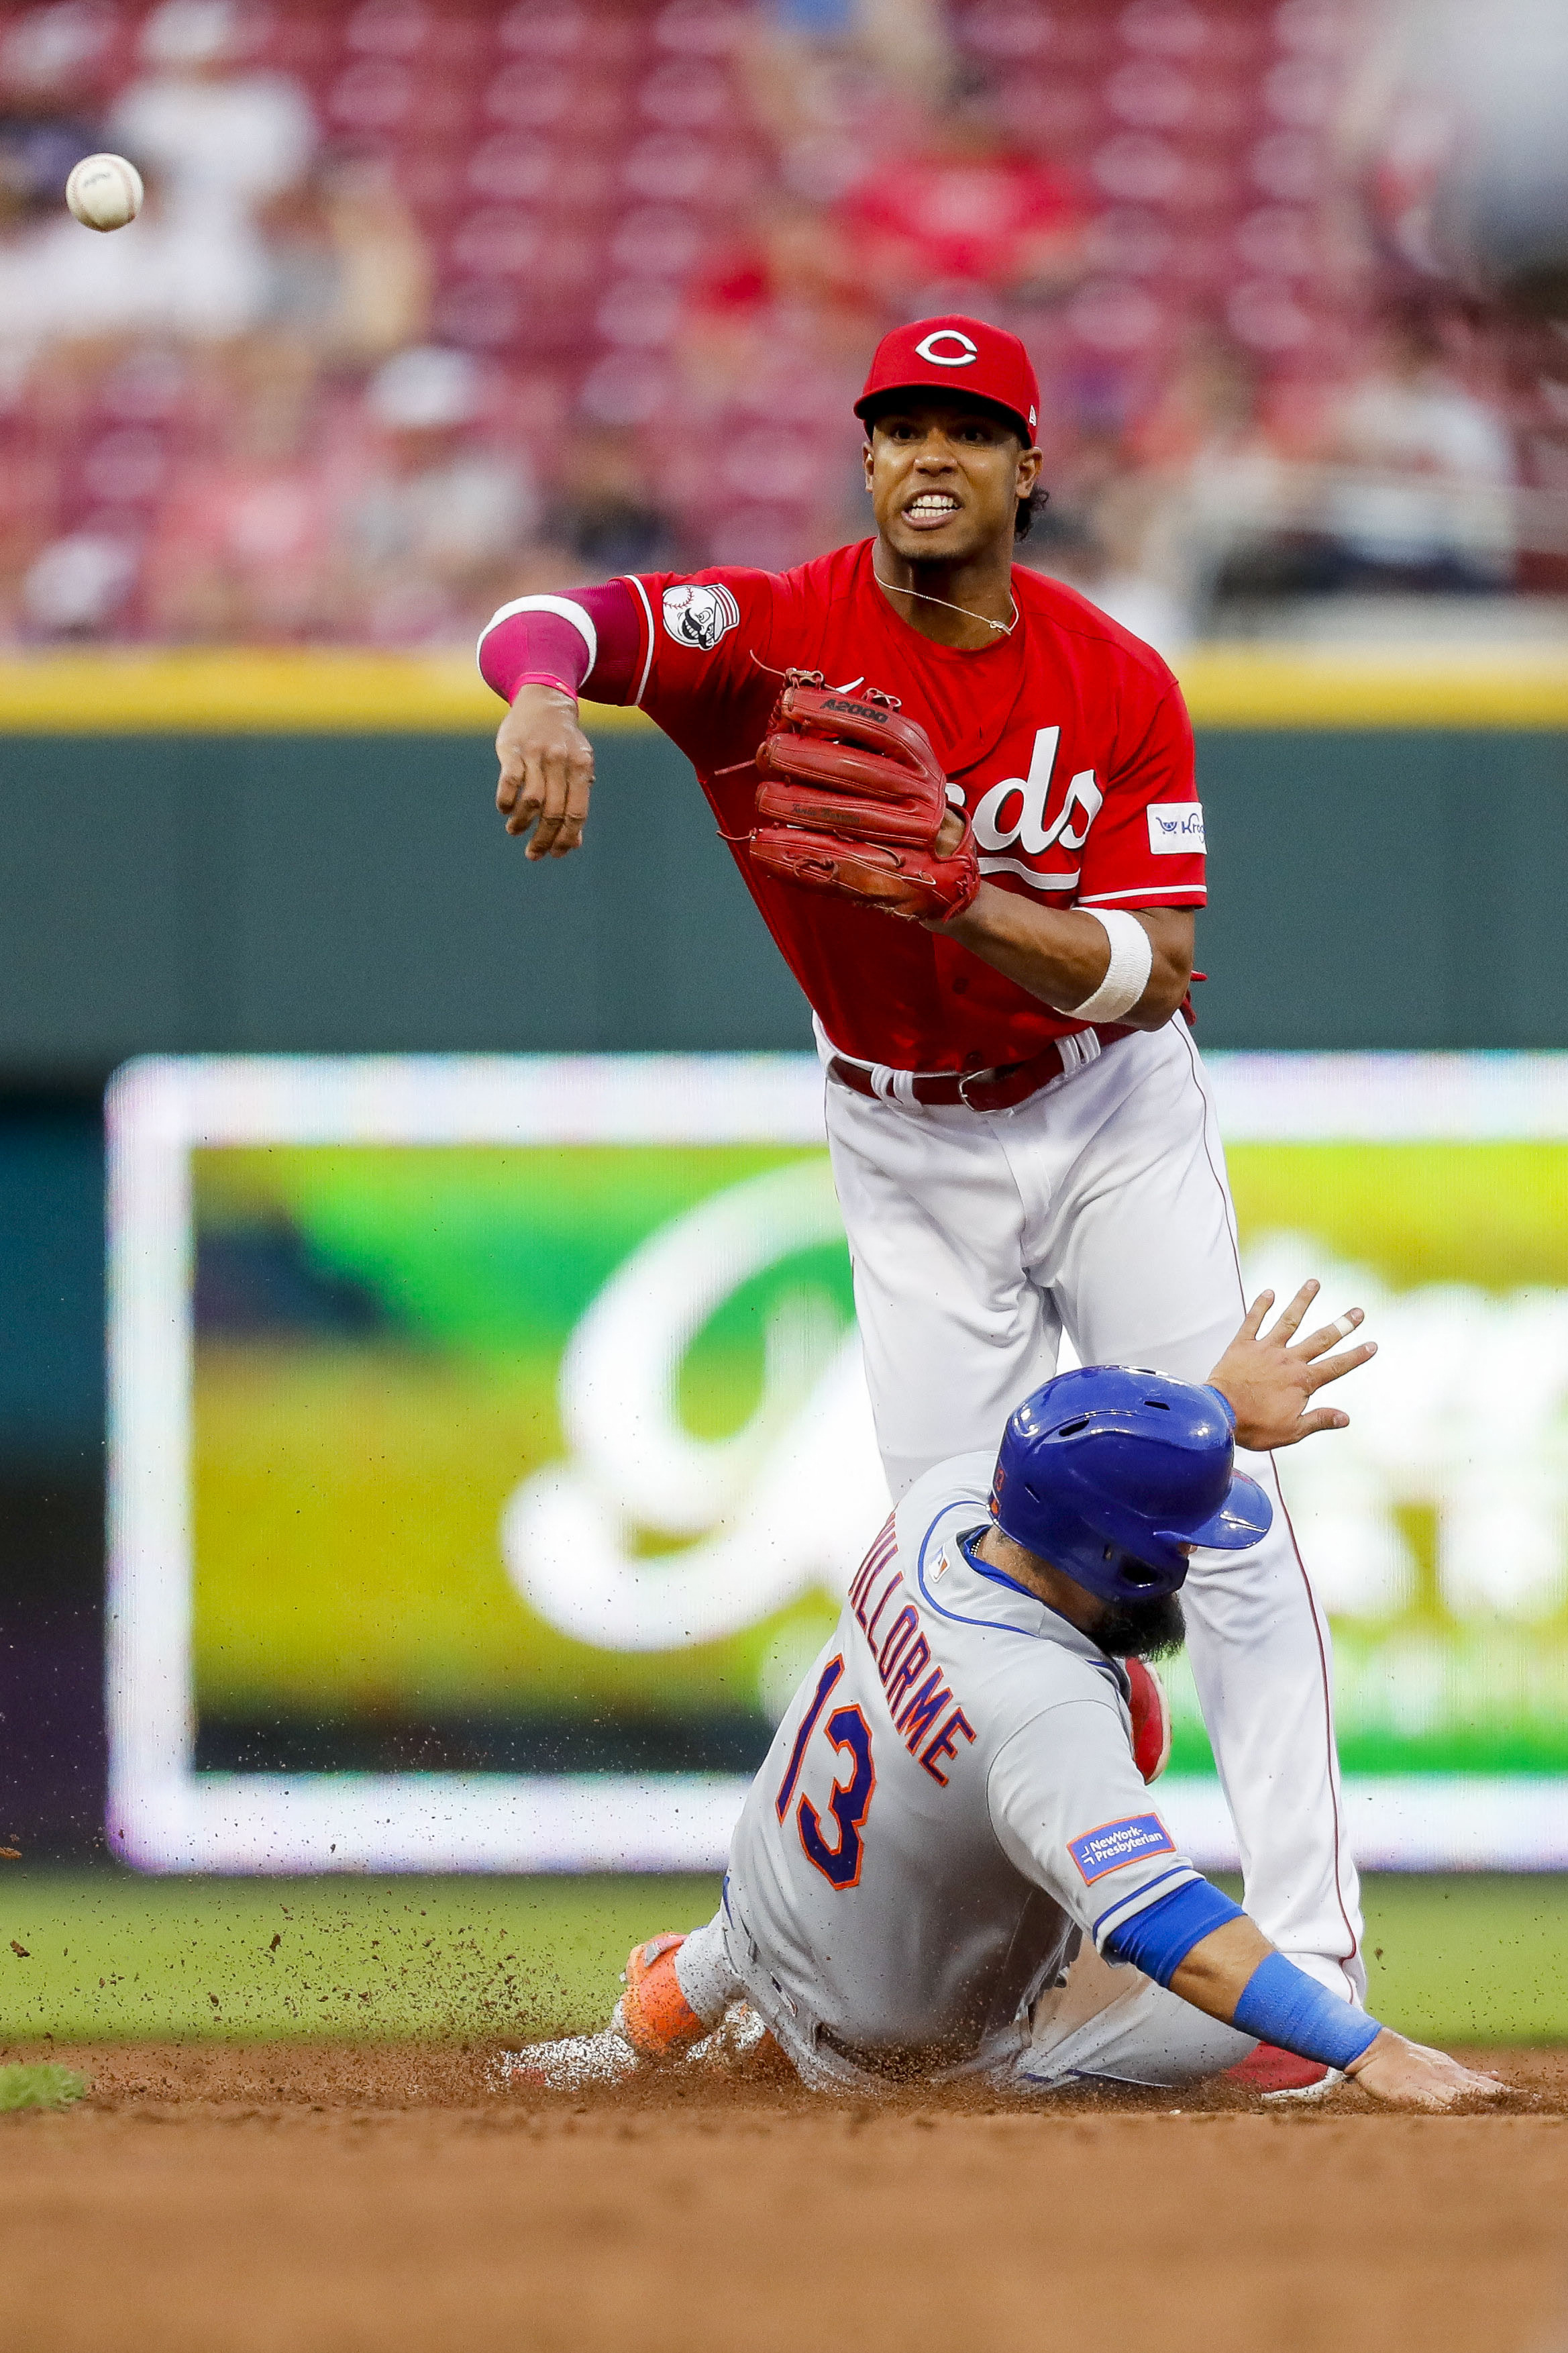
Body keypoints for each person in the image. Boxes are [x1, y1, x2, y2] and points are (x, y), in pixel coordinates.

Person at [476, 313, 1363, 2091]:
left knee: (1235, 1515)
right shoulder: (770, 638)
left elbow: (1158, 973)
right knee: (938, 1596)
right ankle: (712, 1980)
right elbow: (558, 619)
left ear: (1031, 468)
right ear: (866, 457)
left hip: (1105, 1111)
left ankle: (1314, 1979)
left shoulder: (1115, 679)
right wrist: (539, 694)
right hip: (903, 1148)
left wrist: (968, 902)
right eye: (898, 427)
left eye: (968, 427)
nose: (927, 455)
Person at [503, 1291, 1508, 2109]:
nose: (1192, 1557)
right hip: (899, 2059)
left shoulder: (942, 1502)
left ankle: (686, 1988)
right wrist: (1369, 2048)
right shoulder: (1040, 1711)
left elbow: (1078, 1476)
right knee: (1297, 2020)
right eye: (1182, 1542)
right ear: (1114, 1555)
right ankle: (788, 2040)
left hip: (765, 1908)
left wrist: (1201, 1420)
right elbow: (1164, 1923)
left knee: (1083, 1734)